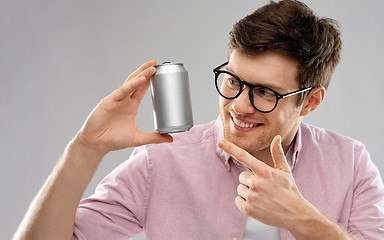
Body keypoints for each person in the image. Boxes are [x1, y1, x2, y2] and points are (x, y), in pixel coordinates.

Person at [14, 0, 384, 239]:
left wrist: (303, 220)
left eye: (265, 93)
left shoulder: (350, 164)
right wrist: (85, 148)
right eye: (233, 81)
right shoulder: (164, 158)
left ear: (310, 102)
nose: (239, 105)